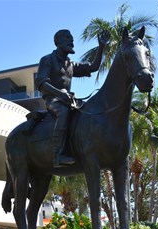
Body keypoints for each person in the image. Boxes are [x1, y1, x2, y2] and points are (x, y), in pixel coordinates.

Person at [35, 29, 109, 168]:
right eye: (67, 38)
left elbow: (93, 67)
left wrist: (101, 47)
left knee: (87, 112)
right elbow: (41, 84)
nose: (72, 41)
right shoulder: (47, 60)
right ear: (58, 42)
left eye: (72, 38)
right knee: (63, 112)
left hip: (69, 101)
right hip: (53, 100)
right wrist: (60, 93)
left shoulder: (71, 64)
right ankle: (58, 155)